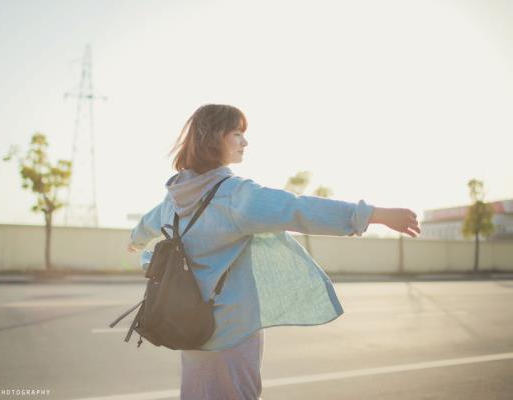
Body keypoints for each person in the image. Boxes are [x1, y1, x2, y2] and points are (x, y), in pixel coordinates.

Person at [127, 104, 421, 400]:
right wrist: (373, 215)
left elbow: (147, 224)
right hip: (229, 330)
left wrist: (135, 241)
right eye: (238, 133)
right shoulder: (235, 195)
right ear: (215, 137)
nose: (245, 142)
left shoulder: (175, 197)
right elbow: (298, 209)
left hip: (186, 326)